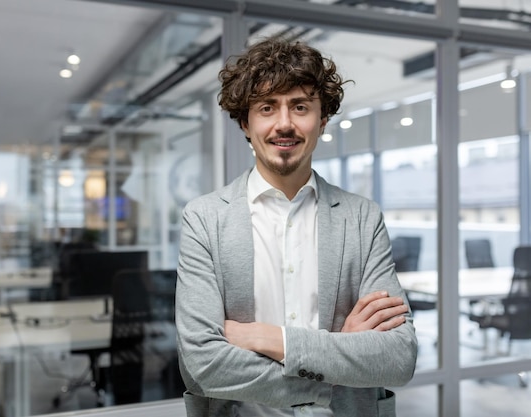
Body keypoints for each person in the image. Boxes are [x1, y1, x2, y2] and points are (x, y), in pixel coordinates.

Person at [175, 36, 418, 417]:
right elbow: (202, 364)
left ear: (322, 120)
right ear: (245, 122)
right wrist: (336, 357)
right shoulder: (205, 218)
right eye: (267, 108)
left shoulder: (361, 217)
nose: (284, 124)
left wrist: (271, 339)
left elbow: (398, 358)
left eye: (300, 106)